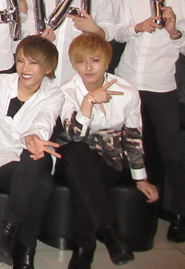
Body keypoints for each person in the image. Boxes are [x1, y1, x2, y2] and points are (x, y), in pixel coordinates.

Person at [58, 34, 158, 269]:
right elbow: (74, 135)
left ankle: (84, 249)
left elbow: (133, 136)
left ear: (107, 62)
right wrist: (88, 101)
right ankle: (109, 231)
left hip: (108, 159)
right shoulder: (66, 90)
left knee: (83, 179)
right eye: (81, 61)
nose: (88, 67)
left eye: (95, 60)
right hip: (71, 154)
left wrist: (140, 178)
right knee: (77, 153)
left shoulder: (128, 90)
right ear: (74, 64)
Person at [114, 0, 185, 243]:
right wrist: (137, 28)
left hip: (161, 84)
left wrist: (173, 30)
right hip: (127, 79)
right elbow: (116, 32)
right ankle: (119, 213)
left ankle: (178, 213)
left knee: (172, 152)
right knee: (121, 148)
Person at [0, 36, 63, 269]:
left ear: (48, 68)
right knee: (43, 184)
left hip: (30, 153)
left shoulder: (54, 94)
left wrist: (33, 137)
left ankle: (7, 228)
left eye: (33, 63)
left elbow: (44, 121)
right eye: (20, 61)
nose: (25, 68)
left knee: (32, 155)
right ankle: (26, 250)